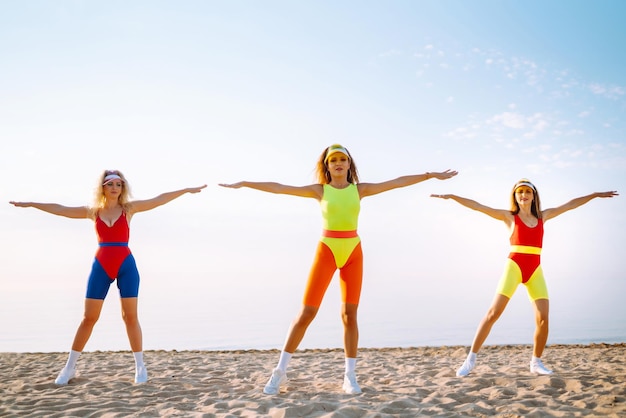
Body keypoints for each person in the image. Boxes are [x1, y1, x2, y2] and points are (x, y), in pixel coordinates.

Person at [220, 144, 457, 395]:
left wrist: (430, 175)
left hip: (353, 251)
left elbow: (397, 182)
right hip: (327, 250)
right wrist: (245, 183)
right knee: (306, 314)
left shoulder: (360, 190)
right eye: (333, 160)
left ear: (349, 163)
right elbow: (279, 188)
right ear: (327, 165)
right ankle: (279, 371)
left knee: (349, 315)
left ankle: (349, 376)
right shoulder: (319, 191)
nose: (338, 163)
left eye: (343, 159)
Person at [10, 170, 206, 385]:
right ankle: (69, 367)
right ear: (103, 187)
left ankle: (140, 366)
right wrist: (31, 204)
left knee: (130, 317)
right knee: (89, 318)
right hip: (101, 265)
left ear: (122, 188)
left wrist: (186, 190)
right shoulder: (94, 212)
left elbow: (158, 200)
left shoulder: (129, 209)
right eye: (110, 184)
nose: (115, 188)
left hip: (126, 265)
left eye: (119, 184)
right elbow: (61, 210)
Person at [431, 179, 618, 377]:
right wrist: (452, 197)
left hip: (535, 270)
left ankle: (536, 363)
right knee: (493, 313)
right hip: (514, 267)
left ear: (533, 195)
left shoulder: (543, 217)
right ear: (515, 196)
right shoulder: (508, 217)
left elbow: (570, 205)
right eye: (520, 192)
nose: (523, 195)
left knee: (543, 319)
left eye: (527, 191)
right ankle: (470, 360)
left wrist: (594, 195)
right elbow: (478, 207)